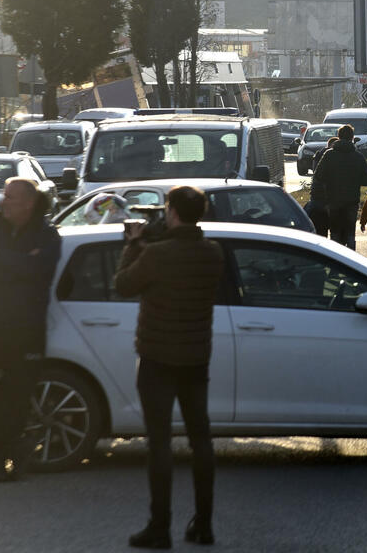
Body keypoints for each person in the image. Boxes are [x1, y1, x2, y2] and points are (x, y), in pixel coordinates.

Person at [115, 186, 225, 549]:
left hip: (157, 359)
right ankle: (204, 524)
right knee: (200, 439)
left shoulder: (157, 254)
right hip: (196, 358)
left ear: (173, 212)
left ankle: (159, 527)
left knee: (159, 443)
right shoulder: (212, 253)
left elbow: (123, 284)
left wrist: (134, 242)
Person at [0, 178, 61, 482]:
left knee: (17, 395)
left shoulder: (47, 235)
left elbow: (39, 270)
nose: (3, 201)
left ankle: (1, 458)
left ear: (29, 203)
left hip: (26, 328)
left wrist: (0, 258)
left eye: (10, 197)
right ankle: (16, 444)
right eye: (4, 195)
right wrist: (17, 262)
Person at [311, 124, 367, 250]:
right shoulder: (358, 157)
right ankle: (350, 260)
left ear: (338, 137)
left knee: (335, 231)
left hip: (333, 200)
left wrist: (330, 181)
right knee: (350, 232)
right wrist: (354, 180)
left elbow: (318, 176)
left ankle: (336, 259)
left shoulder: (329, 155)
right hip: (351, 201)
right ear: (352, 138)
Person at [305, 137, 337, 237]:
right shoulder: (328, 156)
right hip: (323, 197)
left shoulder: (318, 155)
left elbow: (316, 175)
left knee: (319, 226)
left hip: (317, 197)